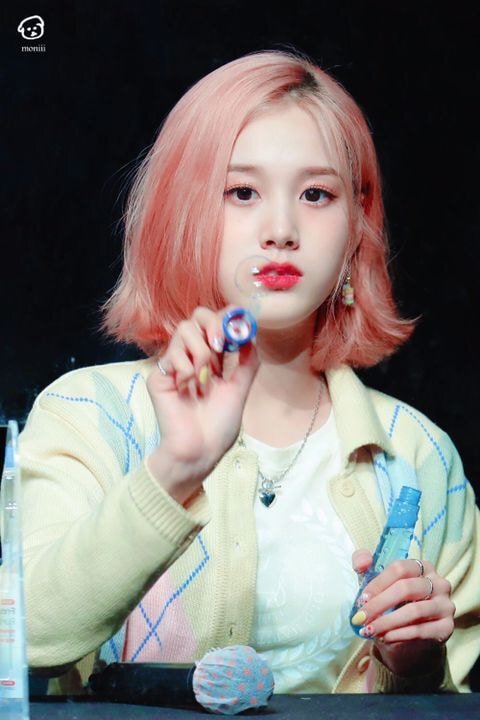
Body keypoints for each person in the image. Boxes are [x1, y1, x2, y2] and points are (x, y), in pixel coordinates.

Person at [19, 49, 480, 695]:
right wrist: (175, 469)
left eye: (316, 194)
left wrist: (415, 665)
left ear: (356, 228)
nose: (281, 230)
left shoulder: (420, 455)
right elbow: (28, 643)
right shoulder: (88, 416)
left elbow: (450, 698)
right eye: (242, 192)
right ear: (183, 214)